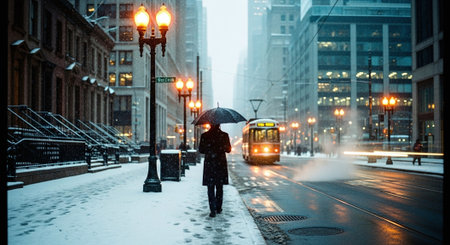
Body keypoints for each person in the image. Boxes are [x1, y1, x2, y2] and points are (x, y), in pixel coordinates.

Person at [198, 124, 231, 217]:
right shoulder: (224, 135)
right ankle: (218, 207)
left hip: (210, 164)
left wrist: (209, 149)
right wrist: (220, 148)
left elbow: (201, 150)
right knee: (219, 187)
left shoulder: (204, 136)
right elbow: (228, 149)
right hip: (220, 164)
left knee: (210, 187)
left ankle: (212, 209)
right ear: (219, 125)